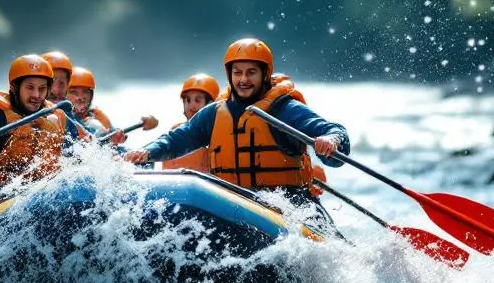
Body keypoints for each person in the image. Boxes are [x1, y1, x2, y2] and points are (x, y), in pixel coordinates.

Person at [124, 38, 348, 221]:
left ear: (264, 74)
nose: (243, 79)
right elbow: (179, 138)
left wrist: (331, 140)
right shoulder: (214, 113)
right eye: (237, 72)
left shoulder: (285, 109)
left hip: (288, 204)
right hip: (234, 203)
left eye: (251, 72)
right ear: (229, 74)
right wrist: (148, 152)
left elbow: (334, 132)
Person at [0, 54, 70, 202]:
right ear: (14, 88)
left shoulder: (55, 117)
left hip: (34, 192)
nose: (36, 95)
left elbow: (74, 152)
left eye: (42, 88)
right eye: (30, 87)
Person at [159, 73, 220, 173]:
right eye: (188, 100)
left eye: (198, 100)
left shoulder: (220, 134)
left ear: (211, 105)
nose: (191, 106)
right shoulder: (176, 131)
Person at [66, 66, 129, 145]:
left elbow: (113, 137)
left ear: (91, 95)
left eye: (85, 92)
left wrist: (116, 134)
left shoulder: (96, 116)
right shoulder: (63, 117)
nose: (80, 97)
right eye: (74, 92)